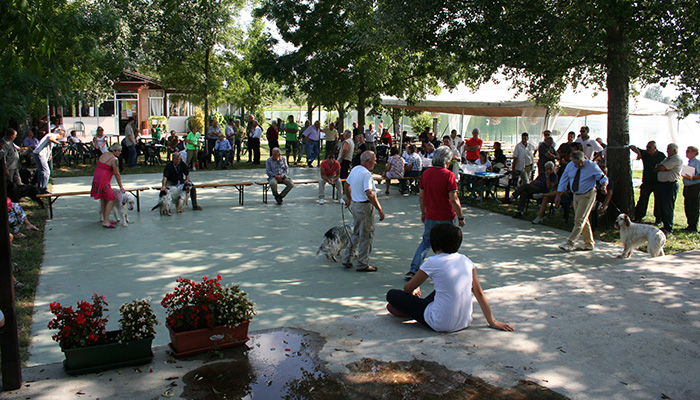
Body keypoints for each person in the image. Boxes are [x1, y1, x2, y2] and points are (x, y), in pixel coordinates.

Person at [387, 223, 514, 332]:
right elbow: (478, 292)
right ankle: (416, 308)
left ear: (434, 243)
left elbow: (407, 289)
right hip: (465, 321)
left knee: (392, 295)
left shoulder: (432, 262)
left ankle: (411, 310)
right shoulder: (467, 261)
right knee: (443, 290)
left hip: (439, 322)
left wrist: (414, 290)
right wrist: (492, 322)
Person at [404, 146, 465, 280]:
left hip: (431, 215)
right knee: (448, 245)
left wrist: (423, 212)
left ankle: (413, 270)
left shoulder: (426, 174)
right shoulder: (449, 175)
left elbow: (421, 196)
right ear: (447, 161)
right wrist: (460, 216)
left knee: (426, 243)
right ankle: (449, 272)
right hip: (446, 216)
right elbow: (453, 199)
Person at [555, 151, 608, 251]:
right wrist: (558, 194)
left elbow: (602, 177)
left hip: (588, 194)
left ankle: (570, 243)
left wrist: (604, 185)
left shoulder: (592, 166)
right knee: (583, 219)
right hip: (576, 195)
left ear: (584, 158)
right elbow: (563, 180)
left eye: (581, 162)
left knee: (579, 219)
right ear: (573, 161)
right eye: (577, 163)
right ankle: (589, 244)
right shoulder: (570, 166)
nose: (580, 164)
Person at [342, 151, 385, 272]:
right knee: (366, 235)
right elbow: (369, 193)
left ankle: (347, 258)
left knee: (356, 233)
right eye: (374, 160)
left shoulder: (356, 169)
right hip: (365, 207)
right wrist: (379, 209)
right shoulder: (366, 174)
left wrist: (349, 198)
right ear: (367, 161)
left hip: (356, 205)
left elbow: (347, 184)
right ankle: (362, 263)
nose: (375, 162)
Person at [90, 143, 125, 228]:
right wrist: (121, 186)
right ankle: (106, 221)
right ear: (114, 150)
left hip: (97, 178)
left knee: (103, 199)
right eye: (119, 151)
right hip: (103, 180)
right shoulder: (114, 159)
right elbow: (117, 173)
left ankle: (106, 218)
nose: (120, 152)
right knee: (111, 199)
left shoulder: (104, 154)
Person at [629, 141, 665, 223]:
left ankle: (658, 219)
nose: (648, 149)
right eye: (647, 147)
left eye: (650, 147)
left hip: (657, 182)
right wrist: (638, 153)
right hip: (647, 182)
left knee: (658, 201)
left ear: (655, 148)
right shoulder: (645, 153)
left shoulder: (661, 156)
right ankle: (639, 216)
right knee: (643, 200)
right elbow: (632, 147)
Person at [654, 143, 683, 234]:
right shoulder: (667, 159)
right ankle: (664, 224)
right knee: (662, 205)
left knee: (667, 206)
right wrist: (659, 167)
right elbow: (657, 167)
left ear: (674, 151)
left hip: (670, 185)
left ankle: (668, 227)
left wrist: (660, 168)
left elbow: (663, 167)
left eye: (669, 149)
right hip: (663, 185)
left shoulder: (676, 159)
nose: (667, 151)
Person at [32, 128, 65, 193]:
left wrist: (49, 155)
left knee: (41, 171)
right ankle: (43, 188)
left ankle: (39, 187)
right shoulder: (52, 135)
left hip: (38, 153)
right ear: (61, 135)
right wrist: (60, 143)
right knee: (46, 171)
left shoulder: (51, 136)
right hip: (40, 154)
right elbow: (50, 138)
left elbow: (47, 145)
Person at [682, 146, 700, 233]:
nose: (686, 152)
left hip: (695, 186)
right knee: (688, 206)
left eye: (688, 151)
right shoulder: (690, 162)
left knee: (693, 206)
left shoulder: (697, 162)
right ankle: (689, 225)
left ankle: (693, 227)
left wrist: (692, 178)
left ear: (694, 153)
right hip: (688, 187)